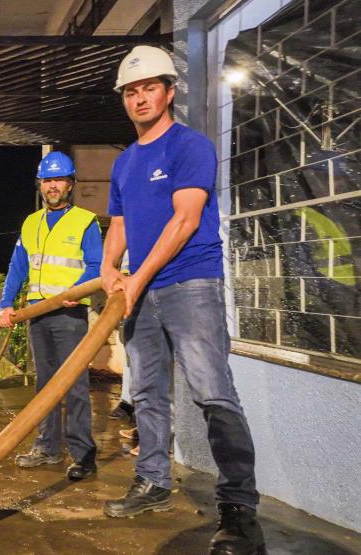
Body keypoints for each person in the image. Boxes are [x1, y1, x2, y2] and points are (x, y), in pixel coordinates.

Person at [101, 46, 264, 555]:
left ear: (169, 91)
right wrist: (108, 268)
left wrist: (136, 277)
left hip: (190, 283)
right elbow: (121, 225)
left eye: (149, 87)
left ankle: (238, 507)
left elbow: (186, 220)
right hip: (140, 291)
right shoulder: (125, 162)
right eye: (131, 91)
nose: (140, 97)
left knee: (212, 391)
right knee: (147, 393)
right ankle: (152, 483)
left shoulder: (188, 146)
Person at [0, 151, 103, 481]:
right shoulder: (31, 223)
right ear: (40, 185)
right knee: (45, 385)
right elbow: (18, 268)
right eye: (47, 180)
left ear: (70, 185)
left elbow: (96, 267)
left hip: (70, 316)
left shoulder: (85, 221)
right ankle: (48, 447)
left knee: (73, 385)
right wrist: (6, 303)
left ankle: (84, 455)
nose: (53, 186)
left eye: (59, 180)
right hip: (37, 314)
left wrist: (76, 292)